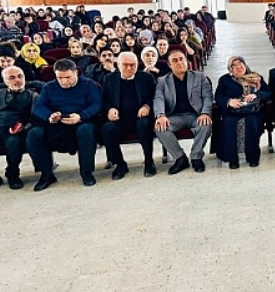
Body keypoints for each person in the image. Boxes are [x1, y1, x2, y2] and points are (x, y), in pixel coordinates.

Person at [28, 59, 103, 190]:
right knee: (34, 134)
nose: (64, 81)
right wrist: (49, 116)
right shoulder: (49, 87)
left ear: (76, 73)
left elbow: (96, 104)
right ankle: (46, 174)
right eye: (60, 78)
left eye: (67, 77)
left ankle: (86, 172)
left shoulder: (89, 84)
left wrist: (81, 116)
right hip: (57, 123)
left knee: (86, 130)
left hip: (82, 120)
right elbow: (39, 107)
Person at [154, 49, 213, 175]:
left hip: (195, 115)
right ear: (169, 65)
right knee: (159, 127)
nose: (180, 62)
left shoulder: (200, 77)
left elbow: (208, 97)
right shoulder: (162, 81)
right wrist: (161, 115)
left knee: (206, 124)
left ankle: (196, 156)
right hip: (175, 116)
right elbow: (158, 99)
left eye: (182, 59)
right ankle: (180, 158)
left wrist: (205, 113)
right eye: (175, 60)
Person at [100, 52, 157, 179]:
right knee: (107, 129)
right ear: (118, 65)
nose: (130, 68)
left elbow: (154, 97)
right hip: (119, 119)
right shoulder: (109, 79)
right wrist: (109, 109)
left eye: (133, 65)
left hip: (140, 117)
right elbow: (105, 99)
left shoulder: (147, 78)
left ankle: (149, 161)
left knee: (144, 125)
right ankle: (120, 164)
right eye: (125, 65)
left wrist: (147, 106)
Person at [215, 56, 271, 168]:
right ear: (230, 69)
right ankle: (233, 159)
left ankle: (253, 158)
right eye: (234, 65)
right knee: (229, 124)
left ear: (245, 65)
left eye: (240, 64)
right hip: (233, 111)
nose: (238, 67)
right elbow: (218, 97)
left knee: (251, 124)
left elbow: (267, 92)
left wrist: (256, 95)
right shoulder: (225, 80)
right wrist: (229, 101)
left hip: (253, 111)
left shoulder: (256, 77)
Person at [0, 66, 38, 190]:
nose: (17, 80)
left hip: (17, 130)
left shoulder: (33, 96)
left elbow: (35, 118)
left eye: (20, 76)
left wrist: (24, 127)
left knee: (13, 143)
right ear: (5, 81)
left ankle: (12, 174)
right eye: (12, 78)